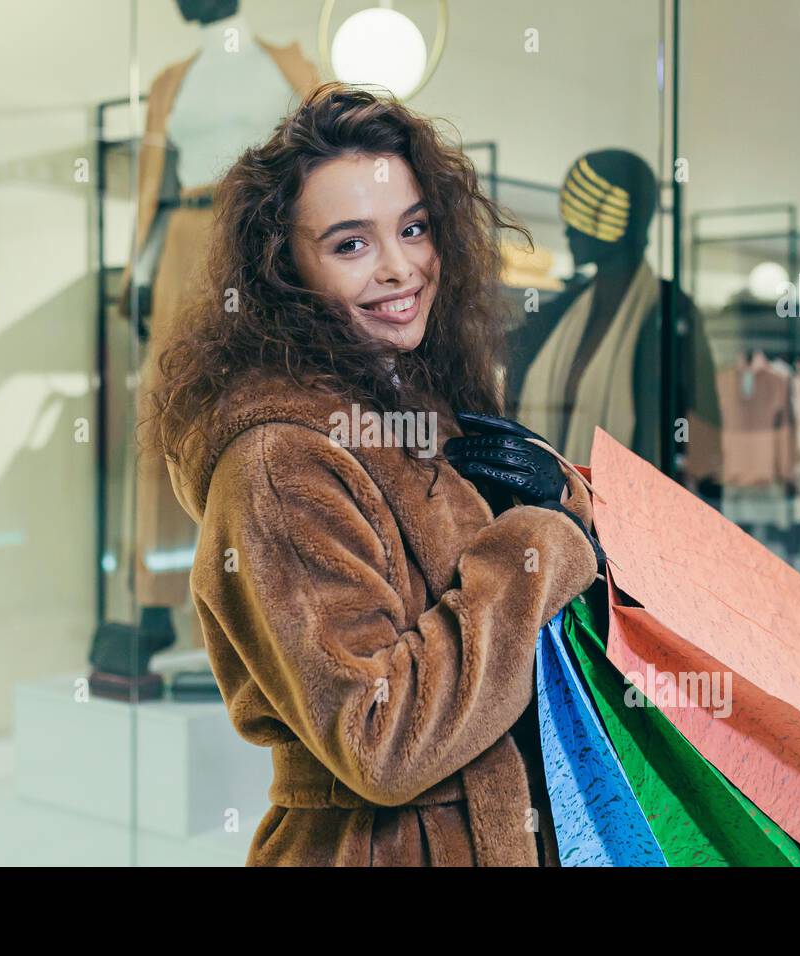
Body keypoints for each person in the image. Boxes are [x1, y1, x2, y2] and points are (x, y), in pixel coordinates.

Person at [152, 83, 602, 866]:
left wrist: (559, 500)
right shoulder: (278, 463)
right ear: (283, 267)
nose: (401, 269)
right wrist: (541, 546)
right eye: (351, 244)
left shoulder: (411, 400)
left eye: (415, 228)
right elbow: (381, 740)